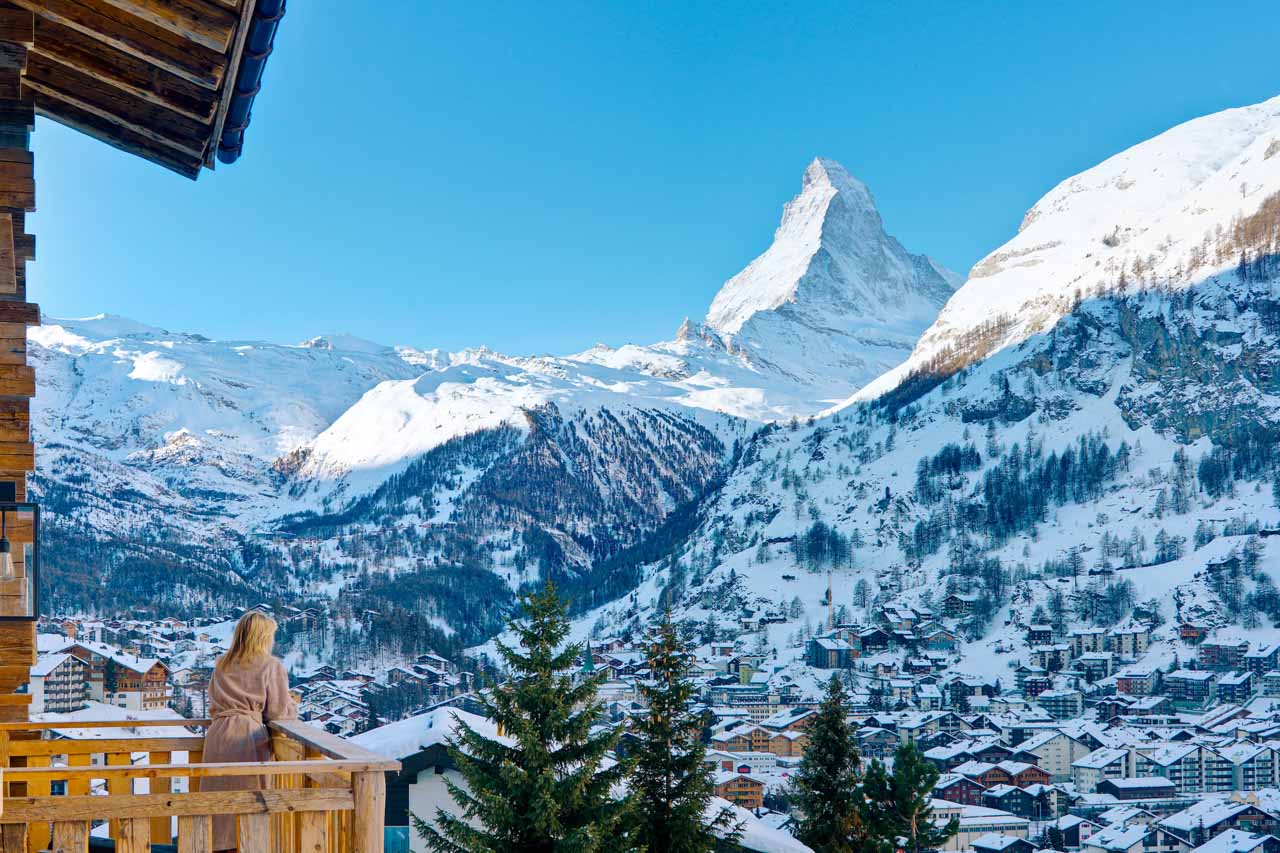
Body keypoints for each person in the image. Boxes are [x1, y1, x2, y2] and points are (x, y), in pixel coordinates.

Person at [202, 611, 298, 851]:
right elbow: (278, 712)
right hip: (247, 737)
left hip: (217, 736)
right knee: (251, 799)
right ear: (263, 636)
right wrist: (293, 703)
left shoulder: (222, 664)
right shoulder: (270, 666)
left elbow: (213, 704)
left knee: (218, 802)